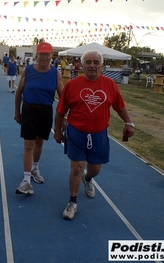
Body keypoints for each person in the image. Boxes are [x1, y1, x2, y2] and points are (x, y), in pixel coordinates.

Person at [53, 50, 134, 220]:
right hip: (76, 133)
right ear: (82, 65)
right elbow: (60, 111)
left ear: (102, 66)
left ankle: (88, 179)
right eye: (88, 62)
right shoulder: (72, 85)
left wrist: (129, 122)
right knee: (76, 168)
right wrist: (58, 131)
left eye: (96, 62)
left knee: (95, 168)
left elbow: (119, 106)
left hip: (99, 135)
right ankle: (72, 202)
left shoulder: (110, 84)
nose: (92, 65)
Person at [14, 42, 64, 195]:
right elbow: (19, 92)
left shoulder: (55, 73)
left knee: (39, 142)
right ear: (37, 55)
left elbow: (63, 96)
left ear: (51, 55)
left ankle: (35, 168)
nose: (44, 57)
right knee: (29, 144)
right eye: (41, 54)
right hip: (29, 110)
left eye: (47, 54)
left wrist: (65, 117)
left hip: (46, 111)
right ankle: (26, 181)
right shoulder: (28, 71)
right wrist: (17, 112)